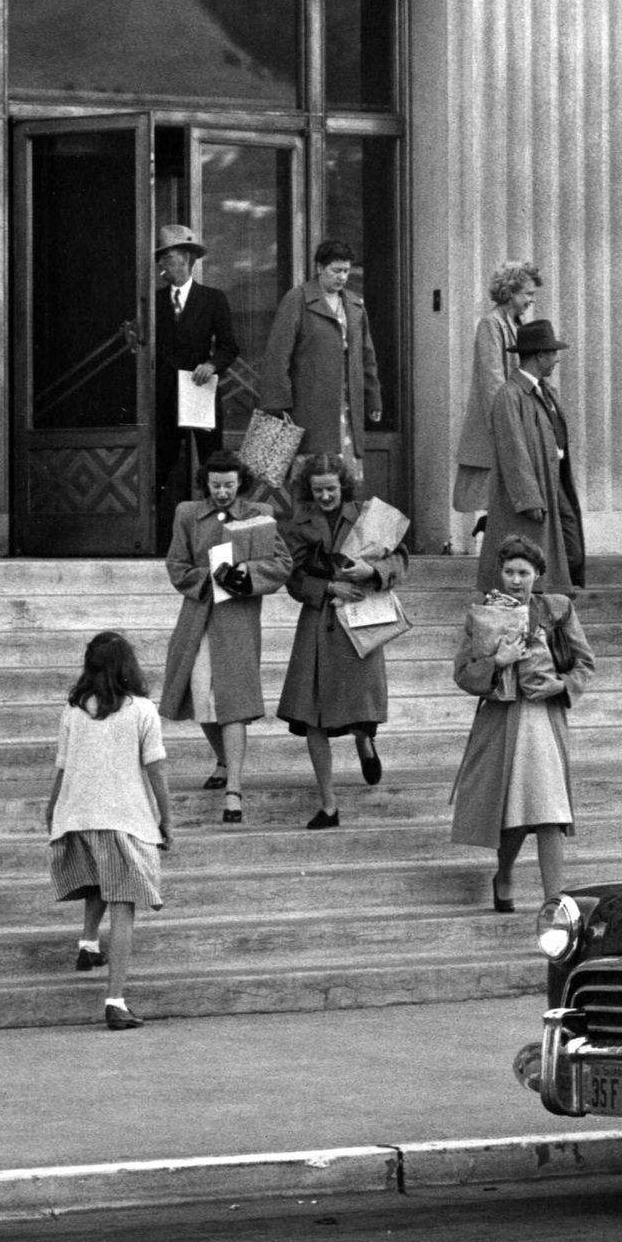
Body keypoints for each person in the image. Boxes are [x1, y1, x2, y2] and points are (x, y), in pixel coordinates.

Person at [449, 536, 595, 913]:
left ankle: (555, 907)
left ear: (538, 575)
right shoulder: (484, 614)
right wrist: (498, 661)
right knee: (514, 811)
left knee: (550, 812)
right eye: (509, 572)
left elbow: (585, 663)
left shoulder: (557, 610)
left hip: (545, 719)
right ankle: (504, 875)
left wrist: (560, 685)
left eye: (524, 573)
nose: (515, 580)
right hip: (504, 720)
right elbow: (463, 673)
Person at [43, 631, 172, 1031]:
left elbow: (62, 766)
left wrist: (52, 809)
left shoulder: (74, 711)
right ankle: (115, 1001)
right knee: (123, 906)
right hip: (123, 817)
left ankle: (88, 944)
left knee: (99, 879)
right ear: (128, 665)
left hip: (77, 814)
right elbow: (156, 769)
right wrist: (166, 818)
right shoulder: (142, 710)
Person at [276, 452, 408, 828]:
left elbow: (400, 560)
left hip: (361, 621)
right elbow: (292, 577)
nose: (325, 496)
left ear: (343, 486)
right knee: (312, 718)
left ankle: (364, 739)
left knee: (359, 705)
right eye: (318, 490)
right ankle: (329, 805)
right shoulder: (299, 524)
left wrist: (372, 570)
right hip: (319, 623)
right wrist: (328, 587)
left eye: (331, 489)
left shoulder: (368, 515)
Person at [161, 451, 292, 825]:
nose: (222, 493)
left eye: (229, 486)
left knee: (231, 702)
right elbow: (176, 564)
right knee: (200, 696)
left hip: (237, 619)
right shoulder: (188, 514)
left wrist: (246, 572)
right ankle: (222, 759)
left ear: (240, 483)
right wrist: (208, 578)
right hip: (198, 617)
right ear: (206, 483)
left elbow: (282, 563)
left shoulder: (258, 513)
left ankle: (234, 788)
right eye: (216, 485)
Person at [477, 317, 587, 594]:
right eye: (553, 353)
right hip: (533, 491)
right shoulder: (510, 395)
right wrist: (528, 497)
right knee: (531, 558)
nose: (557, 359)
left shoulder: (547, 392)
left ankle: (556, 603)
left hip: (553, 482)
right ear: (539, 355)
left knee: (570, 549)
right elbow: (512, 449)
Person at [152, 223, 240, 550]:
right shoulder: (153, 302)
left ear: (187, 259)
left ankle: (218, 539)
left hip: (201, 394)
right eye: (161, 259)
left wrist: (211, 365)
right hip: (164, 398)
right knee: (161, 464)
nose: (164, 264)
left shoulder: (212, 299)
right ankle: (159, 540)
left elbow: (230, 347)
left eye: (170, 257)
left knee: (212, 463)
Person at [259, 239, 381, 466]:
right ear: (319, 268)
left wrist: (373, 398)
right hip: (308, 404)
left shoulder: (355, 304)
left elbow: (367, 356)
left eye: (346, 271)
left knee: (346, 475)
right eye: (336, 270)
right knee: (312, 472)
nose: (342, 277)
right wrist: (276, 405)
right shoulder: (297, 299)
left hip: (348, 404)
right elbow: (277, 356)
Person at [452, 259, 544, 536]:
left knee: (509, 491)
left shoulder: (515, 323)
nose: (531, 300)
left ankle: (496, 534)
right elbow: (492, 379)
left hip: (514, 418)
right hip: (499, 422)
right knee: (498, 492)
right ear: (510, 292)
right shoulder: (491, 324)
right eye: (527, 294)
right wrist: (507, 423)